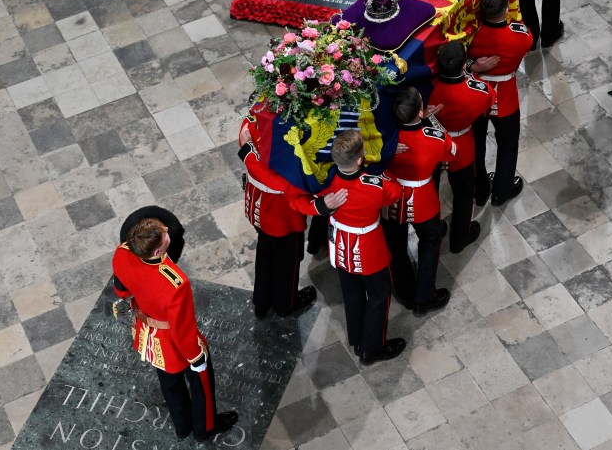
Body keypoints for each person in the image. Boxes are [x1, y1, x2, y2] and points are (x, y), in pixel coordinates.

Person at [112, 218, 238, 442]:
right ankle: (204, 428)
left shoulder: (122, 252)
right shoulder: (176, 284)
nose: (167, 229)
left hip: (149, 333)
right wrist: (195, 356)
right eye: (163, 232)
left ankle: (182, 426)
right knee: (201, 385)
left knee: (169, 382)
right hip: (173, 341)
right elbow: (182, 328)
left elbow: (121, 289)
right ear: (158, 249)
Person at [296, 130, 406, 365]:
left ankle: (357, 338)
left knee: (352, 292)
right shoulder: (374, 185)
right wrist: (385, 171)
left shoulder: (327, 181)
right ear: (359, 160)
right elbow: (395, 193)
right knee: (379, 294)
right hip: (368, 247)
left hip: (340, 244)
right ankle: (372, 348)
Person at [237, 116, 337, 319]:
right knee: (287, 263)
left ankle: (262, 301)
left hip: (259, 207)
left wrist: (247, 152)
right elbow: (287, 185)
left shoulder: (253, 124)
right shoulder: (286, 155)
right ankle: (285, 304)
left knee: (265, 253)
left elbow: (246, 135)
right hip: (282, 217)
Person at [381, 87, 454, 315]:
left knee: (396, 247)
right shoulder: (434, 136)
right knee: (430, 243)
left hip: (392, 199)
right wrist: (432, 119)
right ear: (420, 112)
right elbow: (452, 151)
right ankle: (424, 297)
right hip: (423, 200)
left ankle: (404, 292)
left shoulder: (386, 138)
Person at [468, 0, 533, 208]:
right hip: (505, 96)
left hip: (477, 95)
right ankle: (502, 190)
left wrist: (473, 66)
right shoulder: (520, 36)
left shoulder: (472, 36)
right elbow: (527, 38)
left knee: (477, 144)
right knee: (508, 142)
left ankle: (481, 189)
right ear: (506, 10)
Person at [429, 41, 496, 254]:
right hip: (462, 144)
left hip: (433, 144)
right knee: (464, 193)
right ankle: (460, 236)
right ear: (461, 64)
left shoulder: (428, 89)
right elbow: (488, 105)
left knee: (431, 193)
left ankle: (435, 229)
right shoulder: (479, 90)